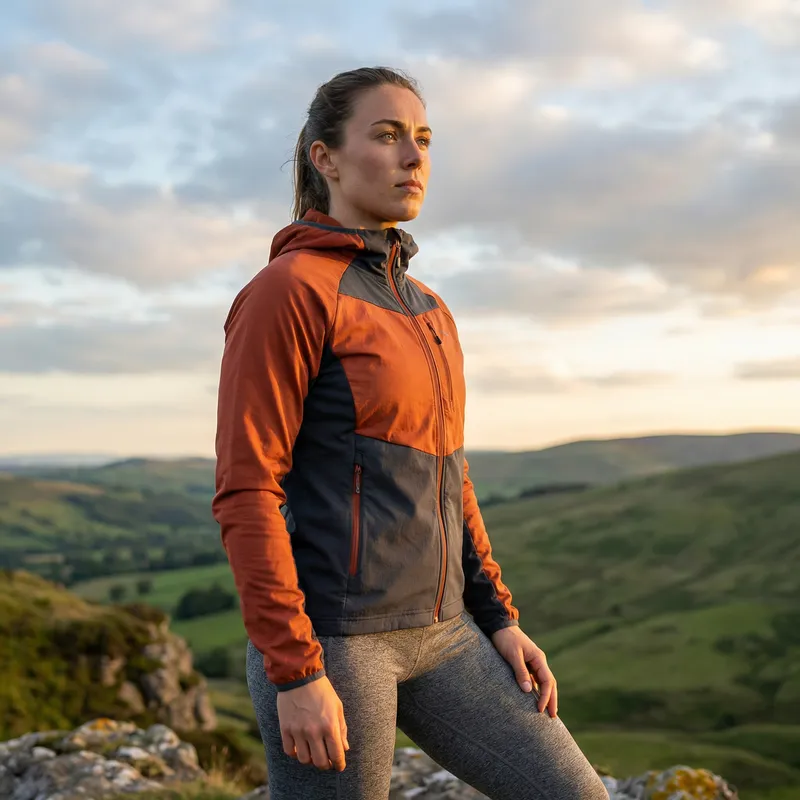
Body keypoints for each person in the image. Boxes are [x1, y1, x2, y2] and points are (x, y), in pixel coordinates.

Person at [212, 66, 609, 800]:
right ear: (323, 157)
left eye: (423, 139)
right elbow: (246, 489)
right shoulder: (289, 291)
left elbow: (450, 478)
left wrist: (500, 621)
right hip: (335, 642)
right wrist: (295, 671)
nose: (414, 156)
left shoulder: (429, 307)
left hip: (447, 634)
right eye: (387, 135)